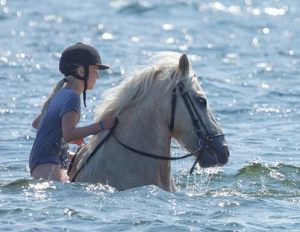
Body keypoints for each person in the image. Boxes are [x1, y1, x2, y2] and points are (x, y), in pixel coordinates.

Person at [29, 43, 115, 182]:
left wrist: (62, 134)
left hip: (40, 161)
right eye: (95, 71)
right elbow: (69, 135)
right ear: (82, 72)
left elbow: (37, 124)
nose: (97, 76)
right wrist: (101, 126)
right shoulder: (72, 97)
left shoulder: (61, 93)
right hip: (48, 163)